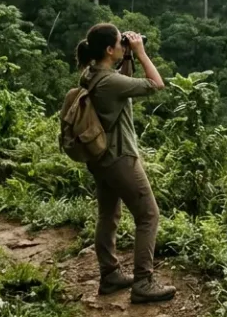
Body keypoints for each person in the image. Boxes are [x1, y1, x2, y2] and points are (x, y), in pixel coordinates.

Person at [74, 22, 176, 303]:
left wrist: (127, 56)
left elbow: (124, 88)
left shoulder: (93, 75)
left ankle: (110, 276)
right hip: (120, 158)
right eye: (120, 42)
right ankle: (143, 282)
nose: (124, 44)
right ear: (109, 50)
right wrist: (142, 53)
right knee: (148, 215)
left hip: (101, 159)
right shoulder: (109, 82)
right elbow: (156, 85)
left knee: (109, 215)